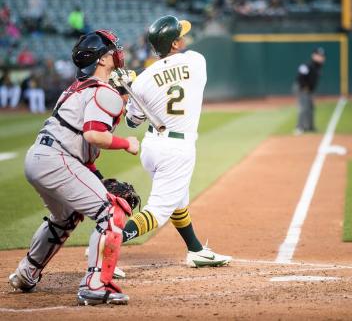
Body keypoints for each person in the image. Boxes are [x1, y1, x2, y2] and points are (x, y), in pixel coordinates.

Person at [8, 30, 140, 306]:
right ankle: (96, 284)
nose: (117, 53)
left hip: (39, 158)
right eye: (111, 50)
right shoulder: (103, 91)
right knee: (112, 211)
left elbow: (81, 146)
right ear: (103, 60)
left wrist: (96, 177)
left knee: (66, 217)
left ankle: (26, 273)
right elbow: (94, 135)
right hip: (57, 159)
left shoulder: (75, 88)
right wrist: (127, 143)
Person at [122, 15, 231, 267]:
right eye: (179, 35)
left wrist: (131, 85)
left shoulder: (143, 80)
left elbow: (132, 123)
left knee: (178, 200)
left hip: (152, 146)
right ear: (173, 44)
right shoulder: (196, 61)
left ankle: (196, 250)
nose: (183, 37)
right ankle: (109, 237)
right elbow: (175, 72)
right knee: (158, 210)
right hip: (176, 148)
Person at [295, 47, 326, 135]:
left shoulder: (318, 67)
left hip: (310, 90)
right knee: (304, 108)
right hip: (302, 89)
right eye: (319, 55)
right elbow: (300, 78)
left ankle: (310, 127)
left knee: (311, 108)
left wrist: (311, 91)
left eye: (322, 56)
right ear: (313, 55)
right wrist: (304, 88)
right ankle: (299, 127)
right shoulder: (307, 65)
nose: (321, 57)